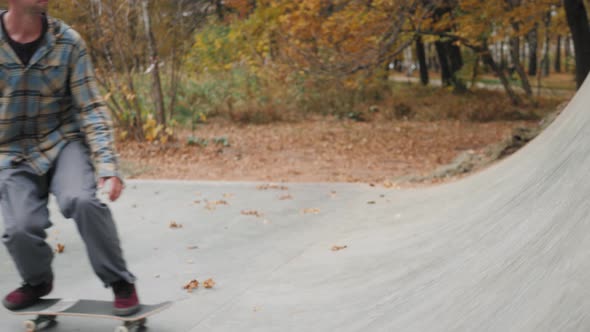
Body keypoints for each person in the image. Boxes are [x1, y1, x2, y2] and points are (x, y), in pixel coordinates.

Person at [0, 0, 140, 316]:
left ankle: (120, 281)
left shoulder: (67, 42)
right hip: (11, 151)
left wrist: (107, 167)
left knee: (83, 200)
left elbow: (90, 107)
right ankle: (37, 282)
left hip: (62, 142)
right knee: (20, 228)